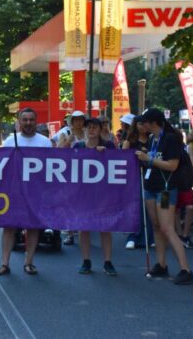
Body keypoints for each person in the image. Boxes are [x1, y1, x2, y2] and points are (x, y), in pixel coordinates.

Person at [136, 108, 193, 285]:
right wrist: (146, 159)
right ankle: (161, 264)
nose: (142, 125)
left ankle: (186, 269)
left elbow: (172, 165)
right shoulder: (152, 139)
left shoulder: (170, 139)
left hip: (165, 189)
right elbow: (153, 161)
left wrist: (149, 159)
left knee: (167, 228)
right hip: (151, 187)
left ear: (153, 122)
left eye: (144, 122)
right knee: (156, 226)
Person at [0, 108, 52, 276]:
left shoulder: (45, 142)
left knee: (33, 227)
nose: (28, 123)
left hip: (35, 192)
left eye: (31, 119)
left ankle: (29, 262)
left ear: (36, 121)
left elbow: (50, 168)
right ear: (19, 122)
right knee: (9, 227)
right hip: (13, 191)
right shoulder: (10, 141)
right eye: (24, 119)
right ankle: (4, 263)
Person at [73, 117, 118, 275]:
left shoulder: (108, 145)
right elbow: (71, 166)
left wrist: (106, 155)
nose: (91, 130)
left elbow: (119, 164)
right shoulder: (78, 146)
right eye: (89, 127)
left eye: (95, 127)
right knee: (84, 227)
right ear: (84, 129)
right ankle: (86, 261)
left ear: (100, 130)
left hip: (103, 194)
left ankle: (108, 262)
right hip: (83, 193)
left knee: (105, 227)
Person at [122, 115, 155, 250]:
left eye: (145, 123)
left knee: (149, 207)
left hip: (151, 176)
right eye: (140, 124)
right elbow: (123, 158)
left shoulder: (153, 139)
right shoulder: (130, 140)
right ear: (135, 125)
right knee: (136, 207)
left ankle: (150, 238)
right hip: (134, 176)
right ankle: (133, 237)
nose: (143, 126)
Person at [58, 110, 86, 246]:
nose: (78, 122)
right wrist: (68, 141)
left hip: (86, 172)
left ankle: (83, 230)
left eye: (81, 120)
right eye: (76, 120)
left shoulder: (88, 133)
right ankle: (70, 233)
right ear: (72, 122)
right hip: (70, 172)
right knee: (70, 202)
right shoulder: (65, 133)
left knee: (83, 201)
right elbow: (59, 150)